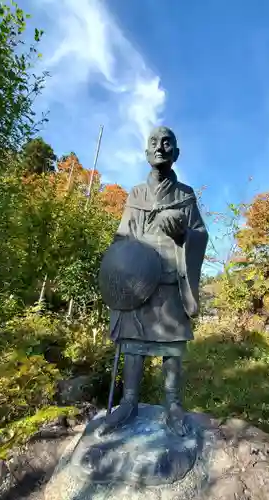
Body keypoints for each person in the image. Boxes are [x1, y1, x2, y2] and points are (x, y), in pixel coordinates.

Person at [101, 126, 208, 436]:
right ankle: (129, 402)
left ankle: (173, 405)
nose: (160, 147)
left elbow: (199, 234)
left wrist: (183, 233)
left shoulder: (185, 194)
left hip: (170, 281)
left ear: (176, 152)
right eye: (154, 143)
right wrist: (118, 274)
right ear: (146, 152)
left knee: (171, 346)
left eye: (167, 143)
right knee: (133, 345)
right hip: (137, 283)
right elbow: (123, 236)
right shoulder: (136, 194)